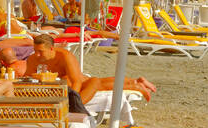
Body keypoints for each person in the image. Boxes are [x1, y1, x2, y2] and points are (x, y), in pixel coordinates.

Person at [27, 33, 156, 104]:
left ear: (51, 49)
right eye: (35, 51)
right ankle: (136, 81)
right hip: (64, 86)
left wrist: (72, 99)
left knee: (100, 83)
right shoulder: (33, 59)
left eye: (40, 51)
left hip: (80, 84)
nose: (37, 54)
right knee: (102, 82)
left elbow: (77, 81)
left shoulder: (65, 56)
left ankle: (135, 85)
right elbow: (26, 79)